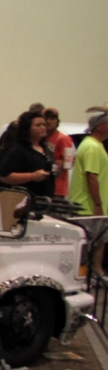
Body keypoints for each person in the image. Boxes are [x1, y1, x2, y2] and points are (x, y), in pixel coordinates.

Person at [70, 112, 108, 276]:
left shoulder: (97, 145)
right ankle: (83, 276)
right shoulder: (91, 147)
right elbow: (91, 176)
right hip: (88, 206)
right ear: (99, 126)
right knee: (87, 244)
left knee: (100, 241)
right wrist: (97, 204)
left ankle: (97, 273)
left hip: (98, 206)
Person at [0, 110, 54, 197]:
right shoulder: (18, 150)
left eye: (44, 125)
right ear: (27, 128)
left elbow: (50, 173)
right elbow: (4, 177)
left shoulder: (46, 149)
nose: (42, 128)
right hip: (26, 198)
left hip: (45, 198)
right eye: (38, 125)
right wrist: (32, 176)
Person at [44, 107, 75, 197]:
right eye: (46, 118)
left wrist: (54, 163)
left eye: (52, 118)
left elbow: (68, 163)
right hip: (43, 187)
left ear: (57, 121)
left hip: (57, 188)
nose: (48, 121)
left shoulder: (63, 139)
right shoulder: (42, 138)